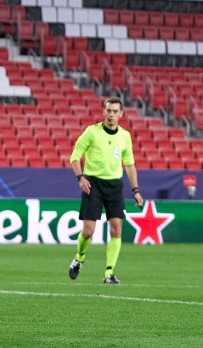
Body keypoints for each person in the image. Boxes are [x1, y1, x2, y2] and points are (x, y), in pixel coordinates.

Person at [68, 97, 143, 284]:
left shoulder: (125, 136)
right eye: (108, 111)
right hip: (92, 183)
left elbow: (130, 165)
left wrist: (136, 190)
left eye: (115, 111)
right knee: (88, 231)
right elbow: (75, 157)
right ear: (103, 112)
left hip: (114, 185)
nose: (111, 114)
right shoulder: (91, 132)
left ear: (121, 114)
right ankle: (79, 257)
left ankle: (109, 273)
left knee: (117, 228)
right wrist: (80, 178)